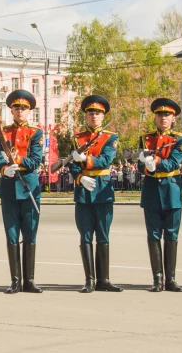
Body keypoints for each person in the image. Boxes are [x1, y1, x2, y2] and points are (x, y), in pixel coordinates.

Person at [69, 95, 122, 293]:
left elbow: (106, 159)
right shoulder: (77, 138)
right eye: (91, 113)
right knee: (85, 236)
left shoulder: (111, 137)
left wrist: (86, 159)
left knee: (103, 235)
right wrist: (79, 178)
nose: (94, 116)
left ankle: (104, 279)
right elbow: (72, 166)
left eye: (98, 113)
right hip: (83, 190)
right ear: (86, 116)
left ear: (103, 116)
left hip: (102, 189)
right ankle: (89, 280)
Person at [0, 89, 43, 294]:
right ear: (11, 110)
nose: (20, 111)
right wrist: (5, 169)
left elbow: (35, 161)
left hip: (29, 187)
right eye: (16, 108)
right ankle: (15, 280)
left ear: (29, 111)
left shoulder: (36, 132)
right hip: (9, 189)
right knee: (12, 235)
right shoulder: (2, 131)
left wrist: (18, 160)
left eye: (23, 108)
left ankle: (29, 280)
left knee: (30, 235)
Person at [138, 98, 182, 292]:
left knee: (172, 235)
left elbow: (174, 163)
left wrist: (155, 161)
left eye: (167, 115)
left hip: (171, 190)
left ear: (173, 118)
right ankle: (157, 279)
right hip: (151, 190)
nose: (163, 118)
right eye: (159, 115)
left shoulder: (180, 139)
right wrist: (145, 166)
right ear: (155, 118)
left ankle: (171, 279)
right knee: (153, 235)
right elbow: (141, 162)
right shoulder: (145, 138)